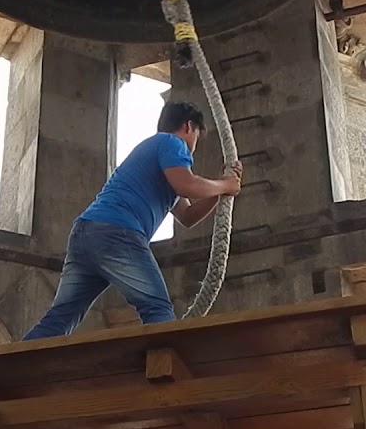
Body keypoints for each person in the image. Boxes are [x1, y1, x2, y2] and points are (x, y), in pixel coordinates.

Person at [22, 100, 242, 340]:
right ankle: (163, 371)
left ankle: (12, 369)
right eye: (197, 136)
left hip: (85, 234)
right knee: (156, 308)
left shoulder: (158, 157)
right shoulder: (171, 143)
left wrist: (221, 191)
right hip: (116, 232)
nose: (194, 146)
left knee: (60, 319)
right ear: (189, 127)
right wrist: (225, 184)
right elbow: (187, 185)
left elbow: (187, 216)